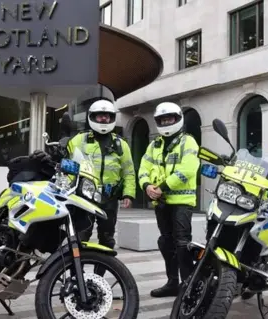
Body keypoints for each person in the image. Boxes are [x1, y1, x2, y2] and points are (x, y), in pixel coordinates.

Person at [138, 102, 200, 298]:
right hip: (161, 202)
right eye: (162, 120)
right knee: (166, 242)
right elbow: (143, 168)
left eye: (169, 119)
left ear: (178, 119)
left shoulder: (187, 142)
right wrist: (146, 186)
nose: (166, 122)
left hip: (182, 202)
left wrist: (161, 187)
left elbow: (188, 169)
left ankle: (189, 285)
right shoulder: (154, 145)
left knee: (182, 243)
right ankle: (173, 283)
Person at [67, 99, 136, 251]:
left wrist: (128, 194)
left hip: (109, 198)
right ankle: (78, 273)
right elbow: (68, 164)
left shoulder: (121, 144)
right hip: (85, 197)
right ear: (92, 117)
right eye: (100, 116)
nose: (104, 119)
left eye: (107, 116)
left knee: (107, 239)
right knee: (80, 238)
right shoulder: (80, 139)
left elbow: (129, 172)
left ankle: (101, 272)